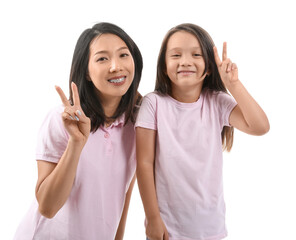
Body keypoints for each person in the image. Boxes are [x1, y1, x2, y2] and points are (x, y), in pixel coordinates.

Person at [136, 23, 269, 240]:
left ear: (208, 67)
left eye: (196, 55)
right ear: (163, 66)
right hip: (167, 228)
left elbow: (260, 127)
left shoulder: (217, 101)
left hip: (211, 226)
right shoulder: (153, 104)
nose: (185, 61)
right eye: (176, 55)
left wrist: (233, 84)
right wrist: (152, 218)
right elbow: (143, 163)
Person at [14, 22, 143, 240]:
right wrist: (76, 143)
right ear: (87, 73)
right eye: (102, 58)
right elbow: (47, 207)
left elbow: (124, 194)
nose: (116, 66)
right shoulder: (61, 120)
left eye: (123, 55)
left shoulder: (136, 123)